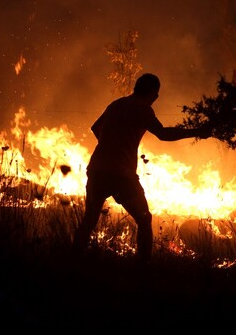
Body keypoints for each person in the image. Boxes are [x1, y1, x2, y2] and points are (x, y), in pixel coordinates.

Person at [72, 73, 212, 263]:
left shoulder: (117, 104)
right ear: (154, 95)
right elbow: (163, 134)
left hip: (97, 169)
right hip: (122, 176)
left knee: (89, 221)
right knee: (145, 220)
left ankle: (72, 261)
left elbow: (96, 128)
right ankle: (143, 268)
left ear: (136, 88)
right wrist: (197, 131)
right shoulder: (143, 109)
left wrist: (112, 144)